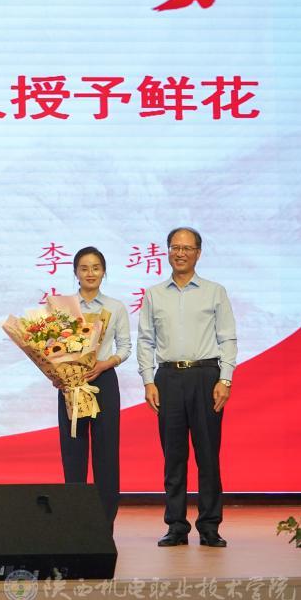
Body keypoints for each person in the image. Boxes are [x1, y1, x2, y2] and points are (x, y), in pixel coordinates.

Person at [138, 227, 237, 548]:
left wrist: (225, 379)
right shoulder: (154, 294)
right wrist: (148, 380)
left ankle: (209, 526)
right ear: (167, 251)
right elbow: (145, 340)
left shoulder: (214, 292)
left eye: (187, 248)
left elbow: (228, 338)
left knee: (208, 456)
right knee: (173, 457)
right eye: (174, 247)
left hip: (206, 376)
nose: (180, 253)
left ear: (198, 253)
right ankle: (176, 526)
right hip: (168, 378)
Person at [59, 247, 131, 532]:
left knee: (106, 453)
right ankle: (75, 523)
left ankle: (104, 524)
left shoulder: (115, 307)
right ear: (75, 272)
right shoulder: (64, 307)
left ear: (104, 272)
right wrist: (57, 373)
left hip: (104, 381)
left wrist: (106, 363)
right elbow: (51, 347)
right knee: (73, 452)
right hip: (71, 383)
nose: (90, 273)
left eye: (96, 267)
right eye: (84, 268)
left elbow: (125, 347)